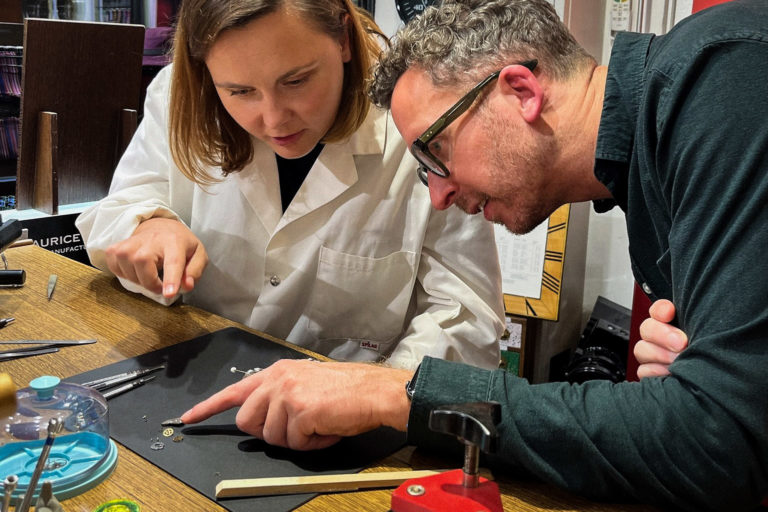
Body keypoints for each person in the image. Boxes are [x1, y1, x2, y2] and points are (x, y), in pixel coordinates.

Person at [183, 0, 768, 510]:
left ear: (520, 90)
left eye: (437, 150)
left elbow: (722, 446)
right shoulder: (652, 170)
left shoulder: (725, 76)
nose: (438, 196)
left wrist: (398, 392)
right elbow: (716, 420)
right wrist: (701, 385)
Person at [76, 0, 507, 370]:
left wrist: (378, 391)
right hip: (196, 377)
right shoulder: (178, 96)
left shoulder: (418, 119)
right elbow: (122, 206)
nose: (274, 118)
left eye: (297, 81)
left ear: (342, 37)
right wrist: (148, 224)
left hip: (352, 430)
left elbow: (468, 316)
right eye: (240, 91)